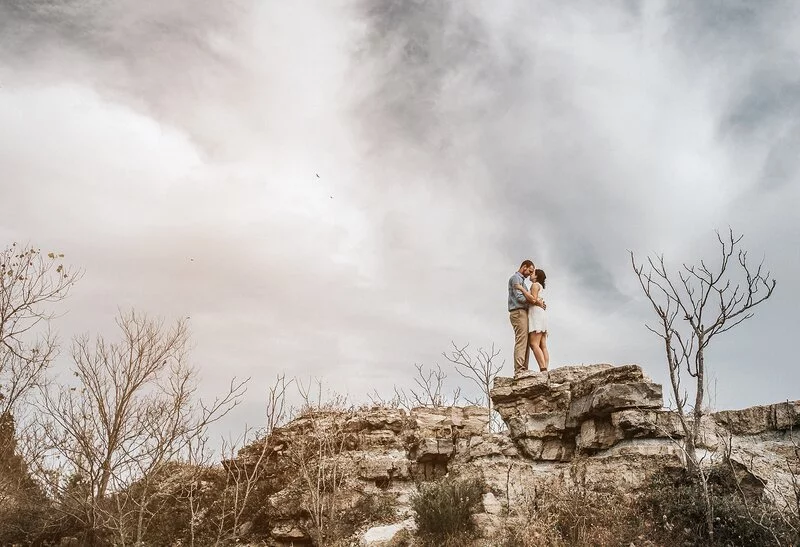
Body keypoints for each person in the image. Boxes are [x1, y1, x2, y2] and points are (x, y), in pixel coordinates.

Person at [508, 260, 545, 376]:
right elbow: (519, 298)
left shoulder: (522, 282)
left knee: (527, 341)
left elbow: (528, 297)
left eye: (532, 272)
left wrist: (534, 301)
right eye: (529, 270)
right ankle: (519, 369)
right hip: (518, 312)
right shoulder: (516, 279)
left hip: (524, 312)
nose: (530, 273)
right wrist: (535, 302)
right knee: (521, 340)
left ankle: (524, 368)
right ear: (524, 267)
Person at [516, 269, 549, 371]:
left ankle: (543, 369)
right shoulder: (540, 286)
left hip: (536, 314)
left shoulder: (534, 285)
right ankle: (545, 367)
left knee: (534, 344)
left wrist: (522, 289)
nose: (531, 274)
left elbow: (533, 299)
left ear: (536, 276)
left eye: (533, 273)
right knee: (542, 344)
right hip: (541, 314)